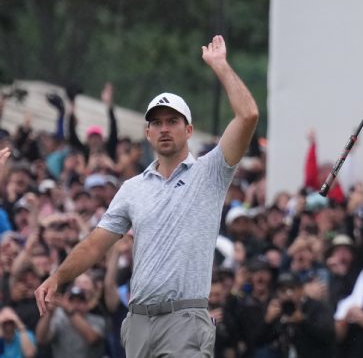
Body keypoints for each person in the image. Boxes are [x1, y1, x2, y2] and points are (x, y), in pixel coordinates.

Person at [34, 35, 260, 358]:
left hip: (185, 319)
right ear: (147, 133)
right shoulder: (133, 188)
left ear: (189, 130)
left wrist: (220, 67)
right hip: (138, 321)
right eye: (157, 123)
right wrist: (58, 277)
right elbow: (95, 244)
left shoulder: (211, 171)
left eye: (173, 121)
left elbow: (248, 115)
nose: (164, 128)